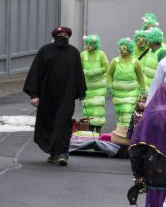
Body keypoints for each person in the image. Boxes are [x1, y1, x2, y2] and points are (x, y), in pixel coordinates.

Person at [23, 26, 87, 166]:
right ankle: (53, 152)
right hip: (47, 96)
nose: (63, 37)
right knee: (49, 123)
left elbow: (79, 73)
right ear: (55, 36)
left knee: (63, 122)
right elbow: (36, 73)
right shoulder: (45, 51)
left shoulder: (74, 52)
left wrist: (81, 91)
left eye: (65, 35)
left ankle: (63, 153)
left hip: (67, 95)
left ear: (68, 37)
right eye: (60, 34)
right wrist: (34, 94)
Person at [107, 38, 146, 127]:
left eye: (124, 48)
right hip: (118, 94)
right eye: (120, 48)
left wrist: (143, 90)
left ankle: (126, 130)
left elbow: (140, 77)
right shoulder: (115, 61)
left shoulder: (135, 62)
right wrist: (109, 87)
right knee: (120, 113)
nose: (122, 50)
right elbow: (109, 74)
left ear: (129, 49)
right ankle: (121, 130)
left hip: (132, 93)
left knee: (128, 111)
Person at [80, 34, 109, 133]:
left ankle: (98, 127)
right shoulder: (83, 54)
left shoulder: (101, 54)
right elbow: (79, 68)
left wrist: (93, 72)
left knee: (98, 106)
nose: (88, 46)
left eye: (90, 44)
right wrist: (84, 72)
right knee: (87, 107)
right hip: (87, 86)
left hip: (99, 85)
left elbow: (106, 67)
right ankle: (89, 127)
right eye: (87, 43)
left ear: (95, 44)